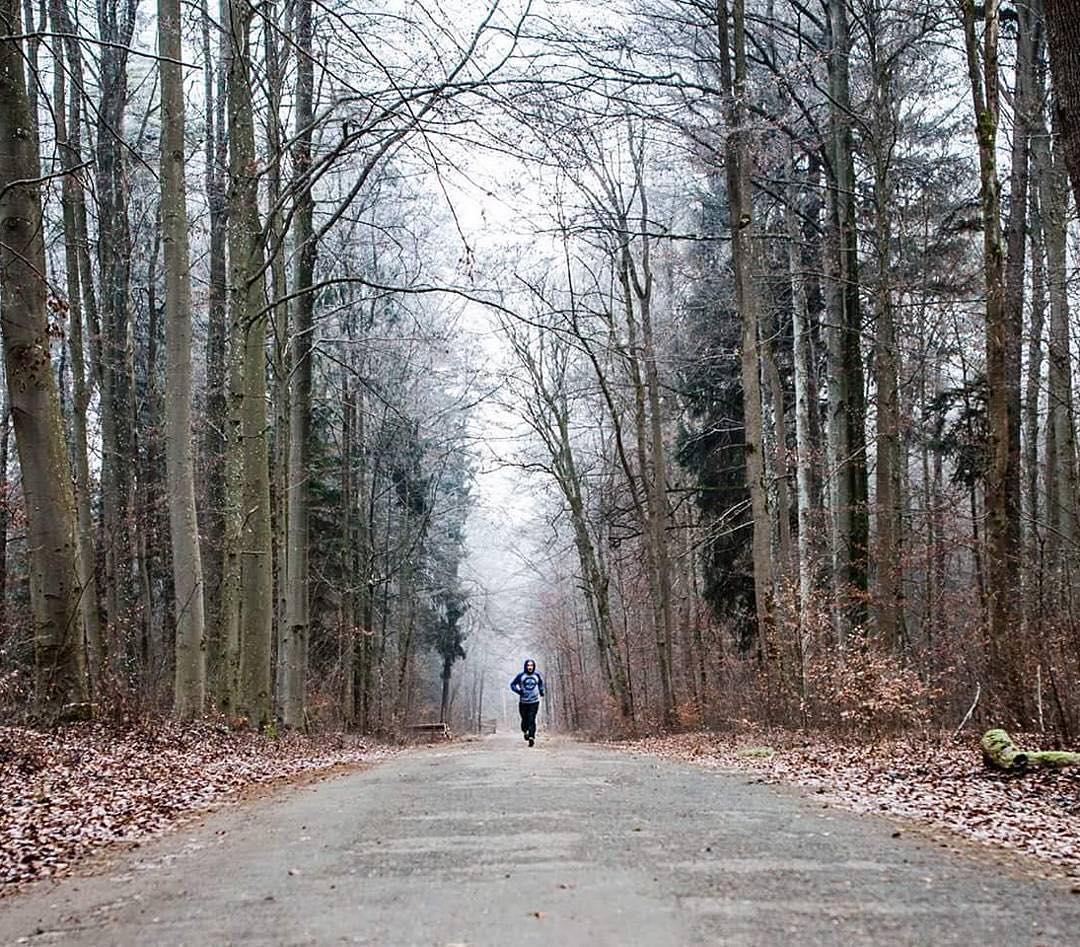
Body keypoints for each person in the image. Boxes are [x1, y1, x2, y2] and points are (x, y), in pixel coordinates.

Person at [509, 659, 544, 746]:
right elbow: (512, 684)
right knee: (524, 720)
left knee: (532, 719)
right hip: (523, 702)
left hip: (534, 701)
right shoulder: (521, 676)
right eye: (528, 665)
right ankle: (525, 731)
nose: (530, 667)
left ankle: (531, 737)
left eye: (531, 665)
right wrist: (518, 691)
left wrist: (541, 690)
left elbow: (540, 683)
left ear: (533, 666)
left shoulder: (537, 675)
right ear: (525, 666)